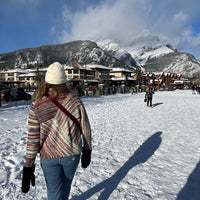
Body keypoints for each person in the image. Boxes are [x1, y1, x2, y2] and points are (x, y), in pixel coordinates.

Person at [21, 62, 92, 200]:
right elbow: (86, 127)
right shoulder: (75, 101)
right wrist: (87, 149)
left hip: (49, 157)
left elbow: (33, 139)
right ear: (64, 81)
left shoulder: (37, 105)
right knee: (65, 190)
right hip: (71, 154)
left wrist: (28, 166)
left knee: (53, 193)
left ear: (47, 81)